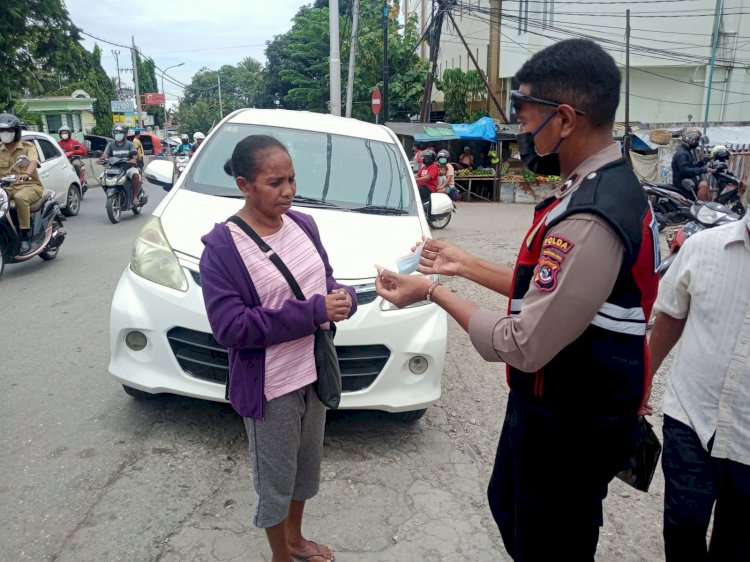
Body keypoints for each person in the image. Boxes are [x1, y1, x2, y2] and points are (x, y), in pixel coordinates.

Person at [375, 38, 659, 561]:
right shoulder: (594, 188)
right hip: (557, 408)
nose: (524, 133)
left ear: (566, 119)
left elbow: (524, 341)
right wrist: (463, 263)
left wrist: (434, 291)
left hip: (570, 424)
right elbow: (552, 295)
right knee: (511, 508)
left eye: (528, 119)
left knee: (547, 541)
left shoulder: (591, 217)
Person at [199, 135, 356, 562]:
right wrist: (312, 311)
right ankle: (280, 557)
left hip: (314, 372)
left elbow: (322, 281)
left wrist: (345, 298)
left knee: (306, 472)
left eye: (291, 179)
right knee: (275, 482)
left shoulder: (303, 224)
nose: (288, 190)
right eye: (274, 182)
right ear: (244, 184)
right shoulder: (223, 248)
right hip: (271, 388)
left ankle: (295, 539)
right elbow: (230, 327)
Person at [646, 203, 750, 562]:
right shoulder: (703, 246)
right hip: (691, 416)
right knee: (683, 524)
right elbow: (672, 316)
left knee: (737, 543)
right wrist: (647, 376)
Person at [0, 113, 44, 255]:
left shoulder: (27, 146)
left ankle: (25, 235)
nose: (5, 134)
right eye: (1, 131)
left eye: (9, 131)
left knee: (20, 198)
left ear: (16, 132)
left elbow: (32, 162)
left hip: (30, 186)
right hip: (7, 187)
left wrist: (26, 174)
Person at [99, 124, 141, 206]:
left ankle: (135, 196)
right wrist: (100, 159)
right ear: (113, 133)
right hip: (114, 168)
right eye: (116, 133)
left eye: (120, 133)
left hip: (128, 168)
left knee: (135, 175)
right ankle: (110, 194)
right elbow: (105, 155)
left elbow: (135, 156)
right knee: (102, 177)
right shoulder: (110, 145)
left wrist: (133, 160)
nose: (118, 135)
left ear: (125, 134)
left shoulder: (129, 144)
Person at [672, 128, 712, 201]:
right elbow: (684, 170)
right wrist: (704, 169)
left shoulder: (686, 151)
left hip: (686, 179)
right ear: (690, 139)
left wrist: (702, 162)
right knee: (704, 185)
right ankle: (699, 208)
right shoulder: (682, 154)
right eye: (696, 140)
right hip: (682, 181)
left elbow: (690, 166)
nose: (697, 143)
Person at [415, 148, 439, 215]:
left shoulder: (434, 167)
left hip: (429, 189)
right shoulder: (424, 167)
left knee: (417, 191)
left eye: (425, 158)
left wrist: (417, 180)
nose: (423, 159)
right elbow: (417, 175)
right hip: (422, 187)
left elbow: (428, 177)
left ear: (430, 158)